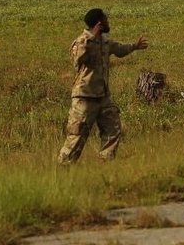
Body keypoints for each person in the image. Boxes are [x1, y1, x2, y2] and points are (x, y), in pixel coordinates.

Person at [57, 8, 148, 165]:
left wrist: (135, 46)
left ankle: (105, 164)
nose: (108, 22)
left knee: (113, 129)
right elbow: (77, 60)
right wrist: (91, 37)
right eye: (106, 19)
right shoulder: (82, 41)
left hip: (103, 97)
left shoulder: (105, 42)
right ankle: (63, 168)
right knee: (77, 135)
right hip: (85, 97)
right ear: (99, 23)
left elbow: (119, 49)